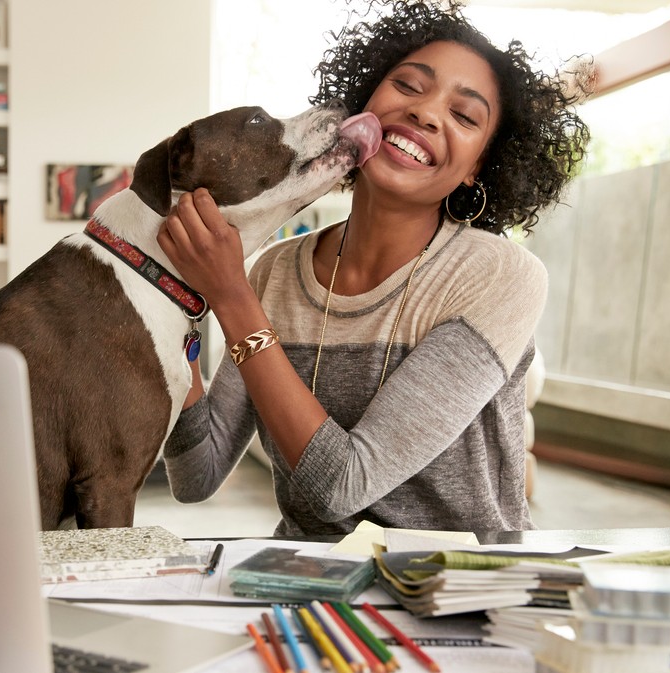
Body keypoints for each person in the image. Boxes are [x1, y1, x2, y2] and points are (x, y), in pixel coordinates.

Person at [155, 0, 590, 535]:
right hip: (307, 584)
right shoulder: (275, 271)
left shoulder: (500, 276)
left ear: (480, 166)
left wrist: (231, 296)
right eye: (408, 86)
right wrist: (179, 303)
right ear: (364, 107)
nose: (426, 113)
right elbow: (196, 477)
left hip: (452, 593)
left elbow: (344, 485)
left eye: (464, 114)